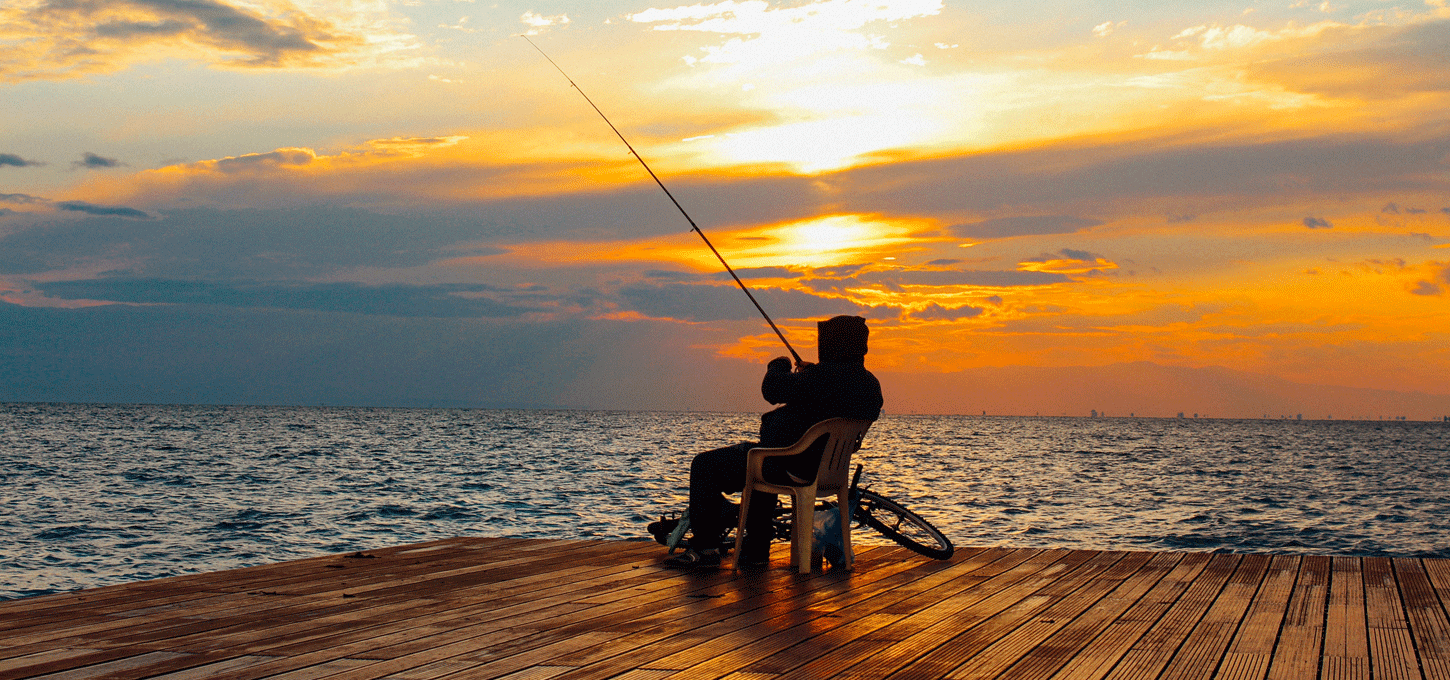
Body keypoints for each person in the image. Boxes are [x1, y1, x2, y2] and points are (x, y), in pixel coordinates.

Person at [664, 315, 883, 569]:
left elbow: (772, 389)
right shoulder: (869, 385)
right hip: (825, 472)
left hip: (792, 465)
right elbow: (830, 392)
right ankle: (755, 551)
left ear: (833, 344)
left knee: (705, 465)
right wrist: (811, 373)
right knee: (764, 456)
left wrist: (779, 365)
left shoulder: (820, 379)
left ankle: (704, 550)